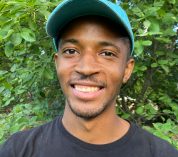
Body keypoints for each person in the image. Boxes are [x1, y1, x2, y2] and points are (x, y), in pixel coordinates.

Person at [0, 0, 177, 156]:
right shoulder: (17, 150)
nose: (86, 68)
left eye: (107, 53)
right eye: (71, 51)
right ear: (57, 62)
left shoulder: (161, 153)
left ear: (127, 69)